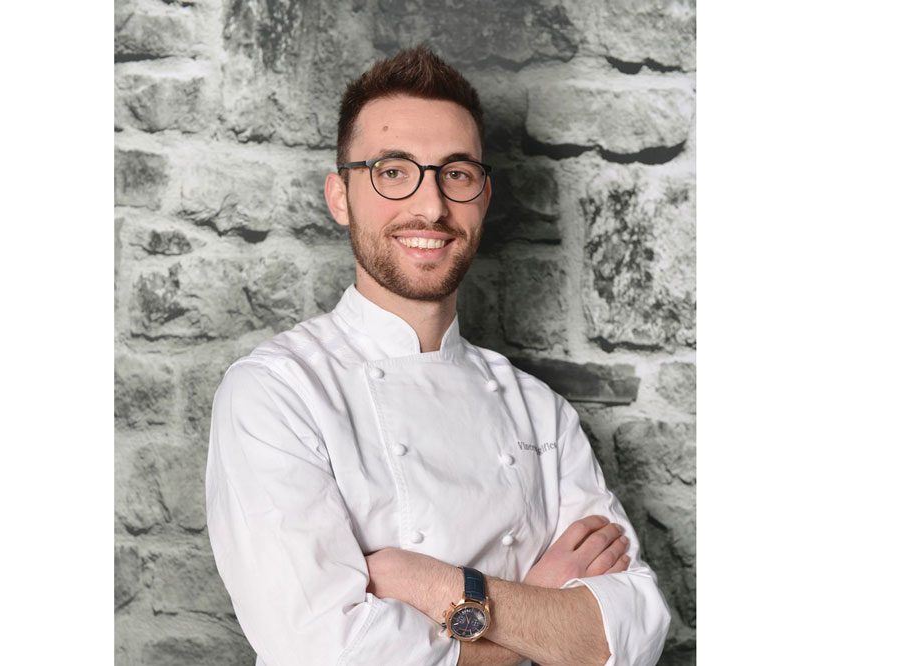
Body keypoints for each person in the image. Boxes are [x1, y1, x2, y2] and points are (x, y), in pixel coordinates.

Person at [205, 46, 670, 666]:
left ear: (483, 196)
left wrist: (430, 583)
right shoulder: (276, 392)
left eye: (456, 174)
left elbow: (633, 634)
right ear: (340, 196)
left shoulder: (541, 410)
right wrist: (538, 606)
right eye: (393, 172)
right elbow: (326, 653)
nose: (430, 207)